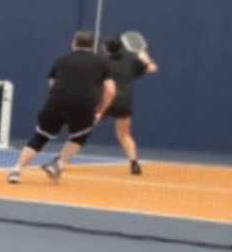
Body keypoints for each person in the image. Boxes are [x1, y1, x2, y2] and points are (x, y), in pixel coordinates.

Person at [8, 28, 116, 185]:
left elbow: (52, 84)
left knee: (40, 137)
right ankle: (58, 165)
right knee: (78, 137)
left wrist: (60, 100)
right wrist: (99, 111)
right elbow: (111, 91)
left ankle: (16, 170)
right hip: (83, 106)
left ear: (73, 43)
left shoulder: (61, 60)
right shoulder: (101, 63)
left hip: (56, 103)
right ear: (92, 45)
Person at [66, 32, 159, 175]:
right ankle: (134, 163)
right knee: (124, 135)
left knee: (82, 130)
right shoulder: (133, 60)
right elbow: (153, 68)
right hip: (124, 102)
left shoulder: (102, 63)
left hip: (104, 101)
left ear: (107, 49)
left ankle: (62, 160)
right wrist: (146, 59)